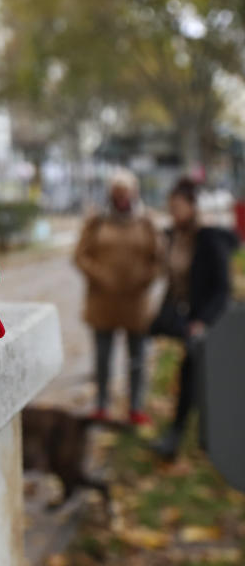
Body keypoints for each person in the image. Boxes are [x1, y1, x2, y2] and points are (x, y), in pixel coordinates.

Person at [152, 177, 238, 461]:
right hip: (191, 321)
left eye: (178, 207)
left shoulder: (209, 238)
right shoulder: (174, 237)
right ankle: (191, 438)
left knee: (205, 380)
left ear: (192, 206)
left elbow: (223, 288)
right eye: (170, 207)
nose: (173, 212)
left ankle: (197, 439)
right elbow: (174, 283)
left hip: (214, 321)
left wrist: (203, 321)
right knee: (192, 377)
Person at [74, 170, 160, 424]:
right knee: (102, 356)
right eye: (117, 192)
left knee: (137, 357)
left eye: (126, 192)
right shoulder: (97, 222)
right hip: (103, 302)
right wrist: (99, 275)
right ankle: (101, 405)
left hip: (135, 303)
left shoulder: (146, 221)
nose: (122, 197)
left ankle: (135, 407)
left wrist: (145, 278)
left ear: (134, 193)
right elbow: (80, 255)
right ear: (111, 194)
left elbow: (159, 258)